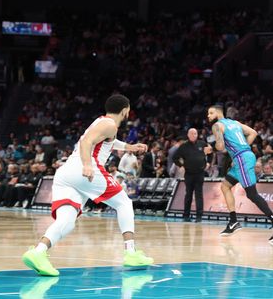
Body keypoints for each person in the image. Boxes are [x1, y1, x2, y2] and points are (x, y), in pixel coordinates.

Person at [22, 94, 153, 276]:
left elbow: (107, 141)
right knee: (124, 203)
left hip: (66, 173)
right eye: (128, 112)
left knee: (66, 221)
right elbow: (86, 142)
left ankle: (38, 252)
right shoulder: (109, 125)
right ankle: (131, 253)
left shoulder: (103, 123)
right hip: (85, 171)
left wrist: (129, 147)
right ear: (125, 111)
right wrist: (87, 165)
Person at [208, 105, 273, 242]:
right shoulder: (235, 123)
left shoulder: (217, 126)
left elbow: (220, 147)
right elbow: (253, 133)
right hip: (243, 157)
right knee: (225, 186)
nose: (208, 116)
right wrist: (242, 148)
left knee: (252, 194)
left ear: (218, 113)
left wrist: (212, 148)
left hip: (242, 159)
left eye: (211, 113)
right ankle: (233, 222)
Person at [173, 128, 212, 222]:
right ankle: (186, 215)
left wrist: (208, 162)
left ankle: (199, 216)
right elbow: (175, 157)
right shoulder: (183, 146)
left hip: (200, 173)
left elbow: (211, 153)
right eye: (192, 133)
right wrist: (181, 165)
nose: (194, 135)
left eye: (195, 133)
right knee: (188, 194)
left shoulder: (202, 144)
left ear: (197, 135)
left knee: (199, 194)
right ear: (188, 135)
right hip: (189, 173)